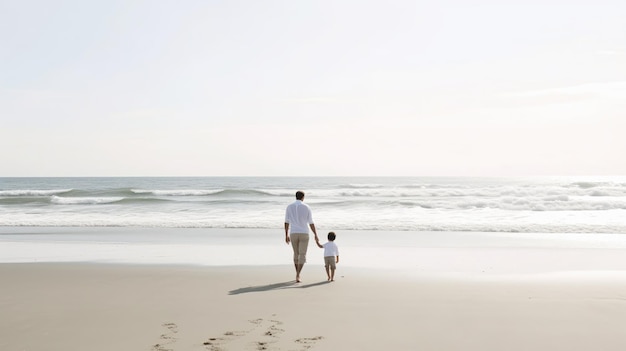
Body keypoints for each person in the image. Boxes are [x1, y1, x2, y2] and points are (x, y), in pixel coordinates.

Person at [284, 190, 319, 283]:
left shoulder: (289, 207)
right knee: (302, 255)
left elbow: (286, 222)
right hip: (304, 233)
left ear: (296, 196)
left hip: (293, 233)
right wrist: (316, 234)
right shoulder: (307, 207)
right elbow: (311, 222)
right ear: (303, 197)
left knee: (296, 254)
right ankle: (298, 274)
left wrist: (286, 234)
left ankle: (297, 274)